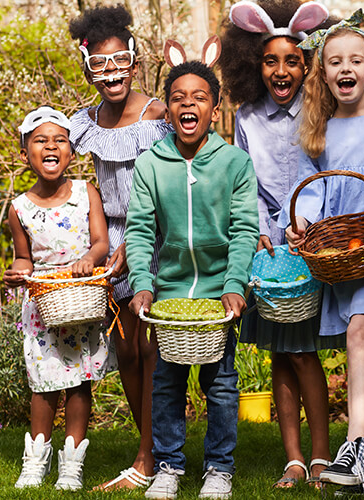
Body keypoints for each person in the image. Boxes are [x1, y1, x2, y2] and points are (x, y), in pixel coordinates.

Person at [126, 41, 259, 499]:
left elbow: (244, 229)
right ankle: (168, 464)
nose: (189, 104)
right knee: (165, 382)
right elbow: (141, 230)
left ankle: (219, 467)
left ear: (215, 107)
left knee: (220, 384)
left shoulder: (234, 163)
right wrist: (143, 285)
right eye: (179, 97)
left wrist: (234, 285)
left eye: (199, 96)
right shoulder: (150, 165)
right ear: (168, 110)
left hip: (219, 293)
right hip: (171, 294)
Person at [220, 0, 336, 490]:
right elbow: (245, 182)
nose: (281, 70)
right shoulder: (247, 117)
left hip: (311, 242)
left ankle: (322, 455)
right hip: (267, 247)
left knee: (304, 350)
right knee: (278, 352)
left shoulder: (320, 112)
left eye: (292, 60)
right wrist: (257, 232)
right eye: (271, 61)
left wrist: (308, 222)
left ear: (306, 64)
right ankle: (293, 458)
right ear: (255, 64)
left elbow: (328, 176)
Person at [280, 10, 364, 495]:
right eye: (334, 62)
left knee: (360, 336)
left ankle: (351, 451)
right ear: (322, 73)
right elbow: (313, 193)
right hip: (344, 253)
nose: (345, 69)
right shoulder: (319, 130)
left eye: (356, 60)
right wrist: (300, 222)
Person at [67, 7, 170, 490]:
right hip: (111, 243)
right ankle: (148, 447)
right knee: (126, 352)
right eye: (100, 65)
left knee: (150, 349)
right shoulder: (85, 124)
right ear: (87, 68)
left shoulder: (158, 114)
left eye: (120, 62)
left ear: (135, 62)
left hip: (156, 237)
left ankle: (149, 457)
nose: (112, 74)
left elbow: (170, 183)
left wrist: (134, 244)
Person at [3, 106, 113, 490]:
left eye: (60, 140)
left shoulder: (86, 193)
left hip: (80, 298)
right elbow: (23, 255)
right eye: (40, 141)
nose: (51, 146)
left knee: (79, 380)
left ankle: (72, 463)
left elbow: (101, 242)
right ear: (25, 154)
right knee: (42, 382)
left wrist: (88, 260)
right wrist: (19, 272)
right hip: (43, 304)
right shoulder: (19, 208)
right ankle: (36, 460)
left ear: (70, 151)